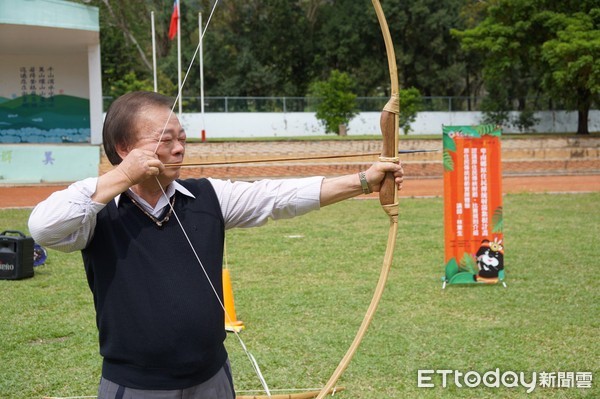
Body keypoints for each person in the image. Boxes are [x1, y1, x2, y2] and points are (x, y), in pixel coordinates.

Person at [28, 91, 404, 399]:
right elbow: (43, 229)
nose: (178, 149)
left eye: (182, 139)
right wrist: (122, 177)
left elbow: (277, 197)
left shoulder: (207, 197)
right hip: (135, 385)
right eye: (165, 139)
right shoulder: (96, 208)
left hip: (212, 379)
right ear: (124, 147)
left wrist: (364, 181)